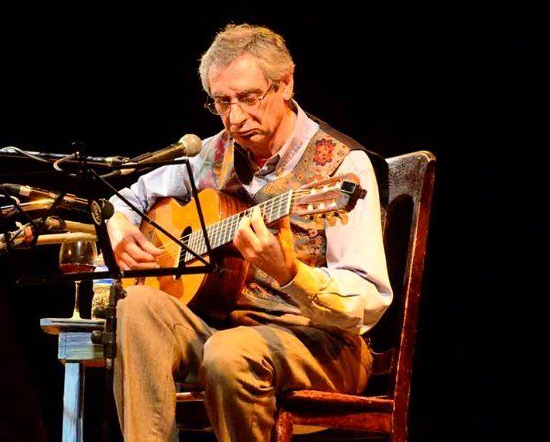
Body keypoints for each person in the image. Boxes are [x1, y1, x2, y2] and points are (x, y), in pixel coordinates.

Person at [106, 24, 393, 442]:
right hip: (223, 334)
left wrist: (291, 274)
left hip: (321, 345)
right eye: (222, 102)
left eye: (249, 98)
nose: (236, 118)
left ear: (286, 83)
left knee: (229, 353)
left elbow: (368, 299)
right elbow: (128, 198)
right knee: (136, 305)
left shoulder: (342, 166)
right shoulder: (212, 153)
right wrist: (117, 224)